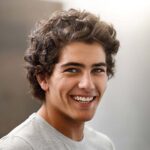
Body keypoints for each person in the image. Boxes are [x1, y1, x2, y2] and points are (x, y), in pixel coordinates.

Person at [0, 9, 120, 150]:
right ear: (43, 78)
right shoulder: (18, 146)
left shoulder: (103, 145)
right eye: (72, 70)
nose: (87, 84)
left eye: (97, 70)